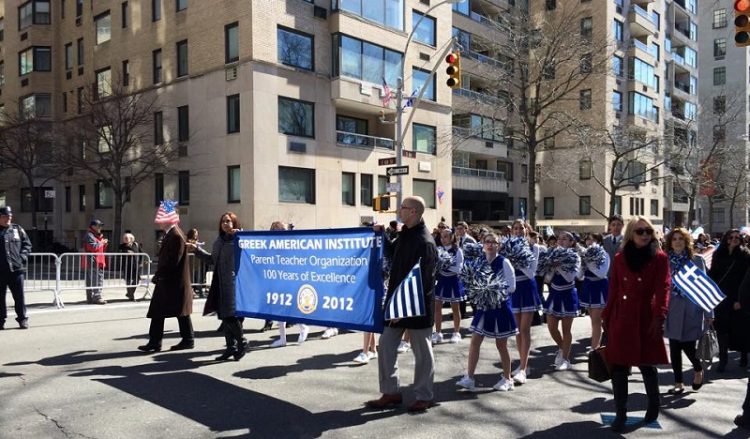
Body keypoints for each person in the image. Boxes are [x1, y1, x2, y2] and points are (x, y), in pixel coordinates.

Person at [365, 196, 438, 413]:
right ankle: (391, 392)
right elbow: (391, 253)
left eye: (403, 207)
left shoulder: (425, 242)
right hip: (395, 304)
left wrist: (403, 311)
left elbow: (424, 282)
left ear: (414, 212)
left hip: (417, 308)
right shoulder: (405, 233)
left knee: (422, 353)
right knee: (386, 345)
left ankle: (424, 396)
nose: (399, 210)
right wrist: (382, 236)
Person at [602, 216, 670, 432]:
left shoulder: (659, 258)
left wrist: (659, 315)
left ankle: (653, 405)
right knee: (619, 366)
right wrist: (606, 317)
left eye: (648, 231)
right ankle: (620, 413)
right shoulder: (621, 257)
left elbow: (663, 288)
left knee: (646, 363)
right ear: (631, 233)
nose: (645, 235)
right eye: (640, 231)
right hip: (622, 315)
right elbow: (613, 288)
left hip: (646, 315)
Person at [455, 232, 518, 392]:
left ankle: (508, 378)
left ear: (499, 245)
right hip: (484, 308)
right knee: (475, 341)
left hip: (500, 307)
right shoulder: (478, 262)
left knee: (501, 344)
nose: (490, 245)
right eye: (487, 242)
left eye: (494, 242)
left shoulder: (504, 262)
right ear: (483, 245)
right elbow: (471, 282)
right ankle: (469, 377)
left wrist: (493, 289)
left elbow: (512, 286)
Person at [138, 201, 194, 352]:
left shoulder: (175, 235)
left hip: (172, 282)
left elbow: (172, 261)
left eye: (163, 216)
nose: (159, 220)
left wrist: (159, 275)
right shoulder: (172, 234)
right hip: (170, 282)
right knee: (166, 312)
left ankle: (184, 340)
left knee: (176, 312)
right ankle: (158, 341)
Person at [190, 212, 246, 361]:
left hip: (233, 283)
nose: (225, 224)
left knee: (230, 315)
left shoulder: (238, 239)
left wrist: (240, 235)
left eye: (228, 221)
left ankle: (242, 342)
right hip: (219, 282)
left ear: (234, 223)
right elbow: (211, 260)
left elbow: (249, 251)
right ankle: (231, 347)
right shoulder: (219, 241)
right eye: (223, 221)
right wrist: (196, 250)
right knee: (224, 315)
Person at [664, 228, 711, 394]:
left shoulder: (696, 260)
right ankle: (678, 383)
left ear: (686, 242)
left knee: (688, 345)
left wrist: (709, 314)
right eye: (674, 239)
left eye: (680, 239)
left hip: (692, 308)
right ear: (670, 242)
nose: (677, 242)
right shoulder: (665, 261)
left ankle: (698, 369)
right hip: (672, 308)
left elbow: (705, 288)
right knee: (675, 346)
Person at [709, 229, 750, 372]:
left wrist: (741, 300)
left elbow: (747, 280)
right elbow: (713, 275)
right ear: (726, 239)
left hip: (738, 297)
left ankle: (744, 355)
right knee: (722, 329)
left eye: (737, 237)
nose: (734, 239)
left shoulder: (745, 255)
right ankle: (723, 359)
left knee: (741, 328)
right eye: (731, 237)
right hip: (721, 297)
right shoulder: (718, 254)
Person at [507, 219, 541, 384]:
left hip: (527, 288)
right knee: (517, 331)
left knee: (525, 329)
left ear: (527, 230)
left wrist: (517, 261)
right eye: (516, 228)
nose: (518, 231)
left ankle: (522, 370)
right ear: (512, 231)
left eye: (521, 228)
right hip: (514, 290)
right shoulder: (508, 247)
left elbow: (531, 272)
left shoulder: (533, 247)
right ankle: (522, 363)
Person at [543, 231, 581, 371]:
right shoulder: (552, 254)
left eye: (565, 239)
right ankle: (562, 347)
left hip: (568, 294)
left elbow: (570, 278)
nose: (561, 241)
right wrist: (548, 266)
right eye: (559, 238)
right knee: (552, 327)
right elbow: (547, 278)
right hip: (554, 294)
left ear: (571, 242)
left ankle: (565, 358)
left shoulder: (575, 256)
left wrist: (559, 264)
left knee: (566, 330)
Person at [269, 220, 310, 347]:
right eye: (275, 230)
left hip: (290, 280)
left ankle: (303, 327)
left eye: (280, 230)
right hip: (277, 280)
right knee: (279, 309)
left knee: (291, 307)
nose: (277, 233)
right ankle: (282, 338)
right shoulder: (271, 245)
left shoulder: (291, 244)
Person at [0, 206, 32, 330]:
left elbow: (27, 244)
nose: (8, 219)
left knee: (19, 297)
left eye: (9, 216)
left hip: (16, 270)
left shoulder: (17, 229)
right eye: (4, 216)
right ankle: (1, 320)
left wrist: (22, 257)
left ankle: (22, 319)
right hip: (1, 271)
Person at [433, 228, 465, 344]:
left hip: (453, 281)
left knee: (455, 308)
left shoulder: (458, 251)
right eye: (442, 237)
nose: (443, 239)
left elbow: (459, 269)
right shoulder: (438, 250)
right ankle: (438, 333)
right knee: (437, 307)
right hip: (441, 280)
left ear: (452, 237)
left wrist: (444, 265)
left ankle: (456, 332)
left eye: (446, 236)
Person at [578, 233, 609, 351]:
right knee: (593, 320)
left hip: (599, 287)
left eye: (593, 239)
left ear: (599, 242)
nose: (589, 241)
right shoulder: (584, 255)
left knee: (597, 320)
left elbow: (602, 273)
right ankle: (597, 346)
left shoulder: (604, 254)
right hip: (588, 286)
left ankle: (594, 348)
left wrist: (588, 262)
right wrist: (582, 264)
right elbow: (580, 277)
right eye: (588, 239)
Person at [84, 219, 108, 305]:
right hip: (93, 260)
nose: (100, 228)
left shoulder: (94, 235)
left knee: (93, 279)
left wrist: (103, 244)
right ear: (93, 227)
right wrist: (101, 242)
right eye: (99, 226)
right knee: (96, 279)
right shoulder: (90, 235)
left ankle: (91, 297)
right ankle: (97, 297)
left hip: (97, 260)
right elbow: (93, 247)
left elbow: (99, 248)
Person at [118, 233, 142, 301]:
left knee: (136, 280)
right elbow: (118, 252)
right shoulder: (122, 246)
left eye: (126, 238)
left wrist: (140, 262)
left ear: (131, 239)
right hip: (126, 266)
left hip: (135, 265)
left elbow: (141, 253)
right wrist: (125, 252)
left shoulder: (136, 245)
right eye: (124, 238)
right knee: (128, 280)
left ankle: (130, 293)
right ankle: (131, 296)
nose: (124, 239)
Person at [186, 228, 207, 299]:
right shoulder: (188, 241)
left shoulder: (196, 241)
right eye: (195, 234)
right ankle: (191, 293)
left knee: (198, 279)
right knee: (191, 280)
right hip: (190, 264)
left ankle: (200, 293)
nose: (196, 235)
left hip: (197, 264)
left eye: (197, 234)